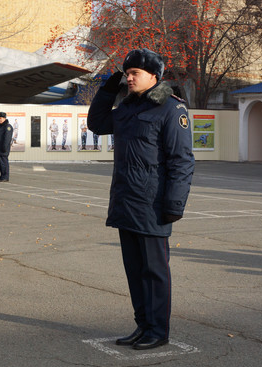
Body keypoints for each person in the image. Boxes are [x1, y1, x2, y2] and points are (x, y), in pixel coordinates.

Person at [87, 48, 195, 350]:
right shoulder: (128, 108)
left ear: (154, 76)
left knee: (154, 272)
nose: (129, 77)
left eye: (135, 73)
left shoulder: (171, 110)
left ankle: (158, 330)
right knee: (135, 271)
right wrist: (109, 88)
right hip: (127, 201)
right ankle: (142, 325)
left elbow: (182, 160)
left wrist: (174, 204)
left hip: (153, 204)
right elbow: (97, 123)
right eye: (127, 72)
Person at [0, 112, 13, 182]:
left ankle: (5, 176)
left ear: (4, 118)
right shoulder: (0, 126)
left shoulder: (7, 127)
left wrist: (4, 148)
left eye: (1, 118)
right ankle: (2, 176)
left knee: (4, 163)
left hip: (3, 149)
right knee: (0, 163)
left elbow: (7, 139)